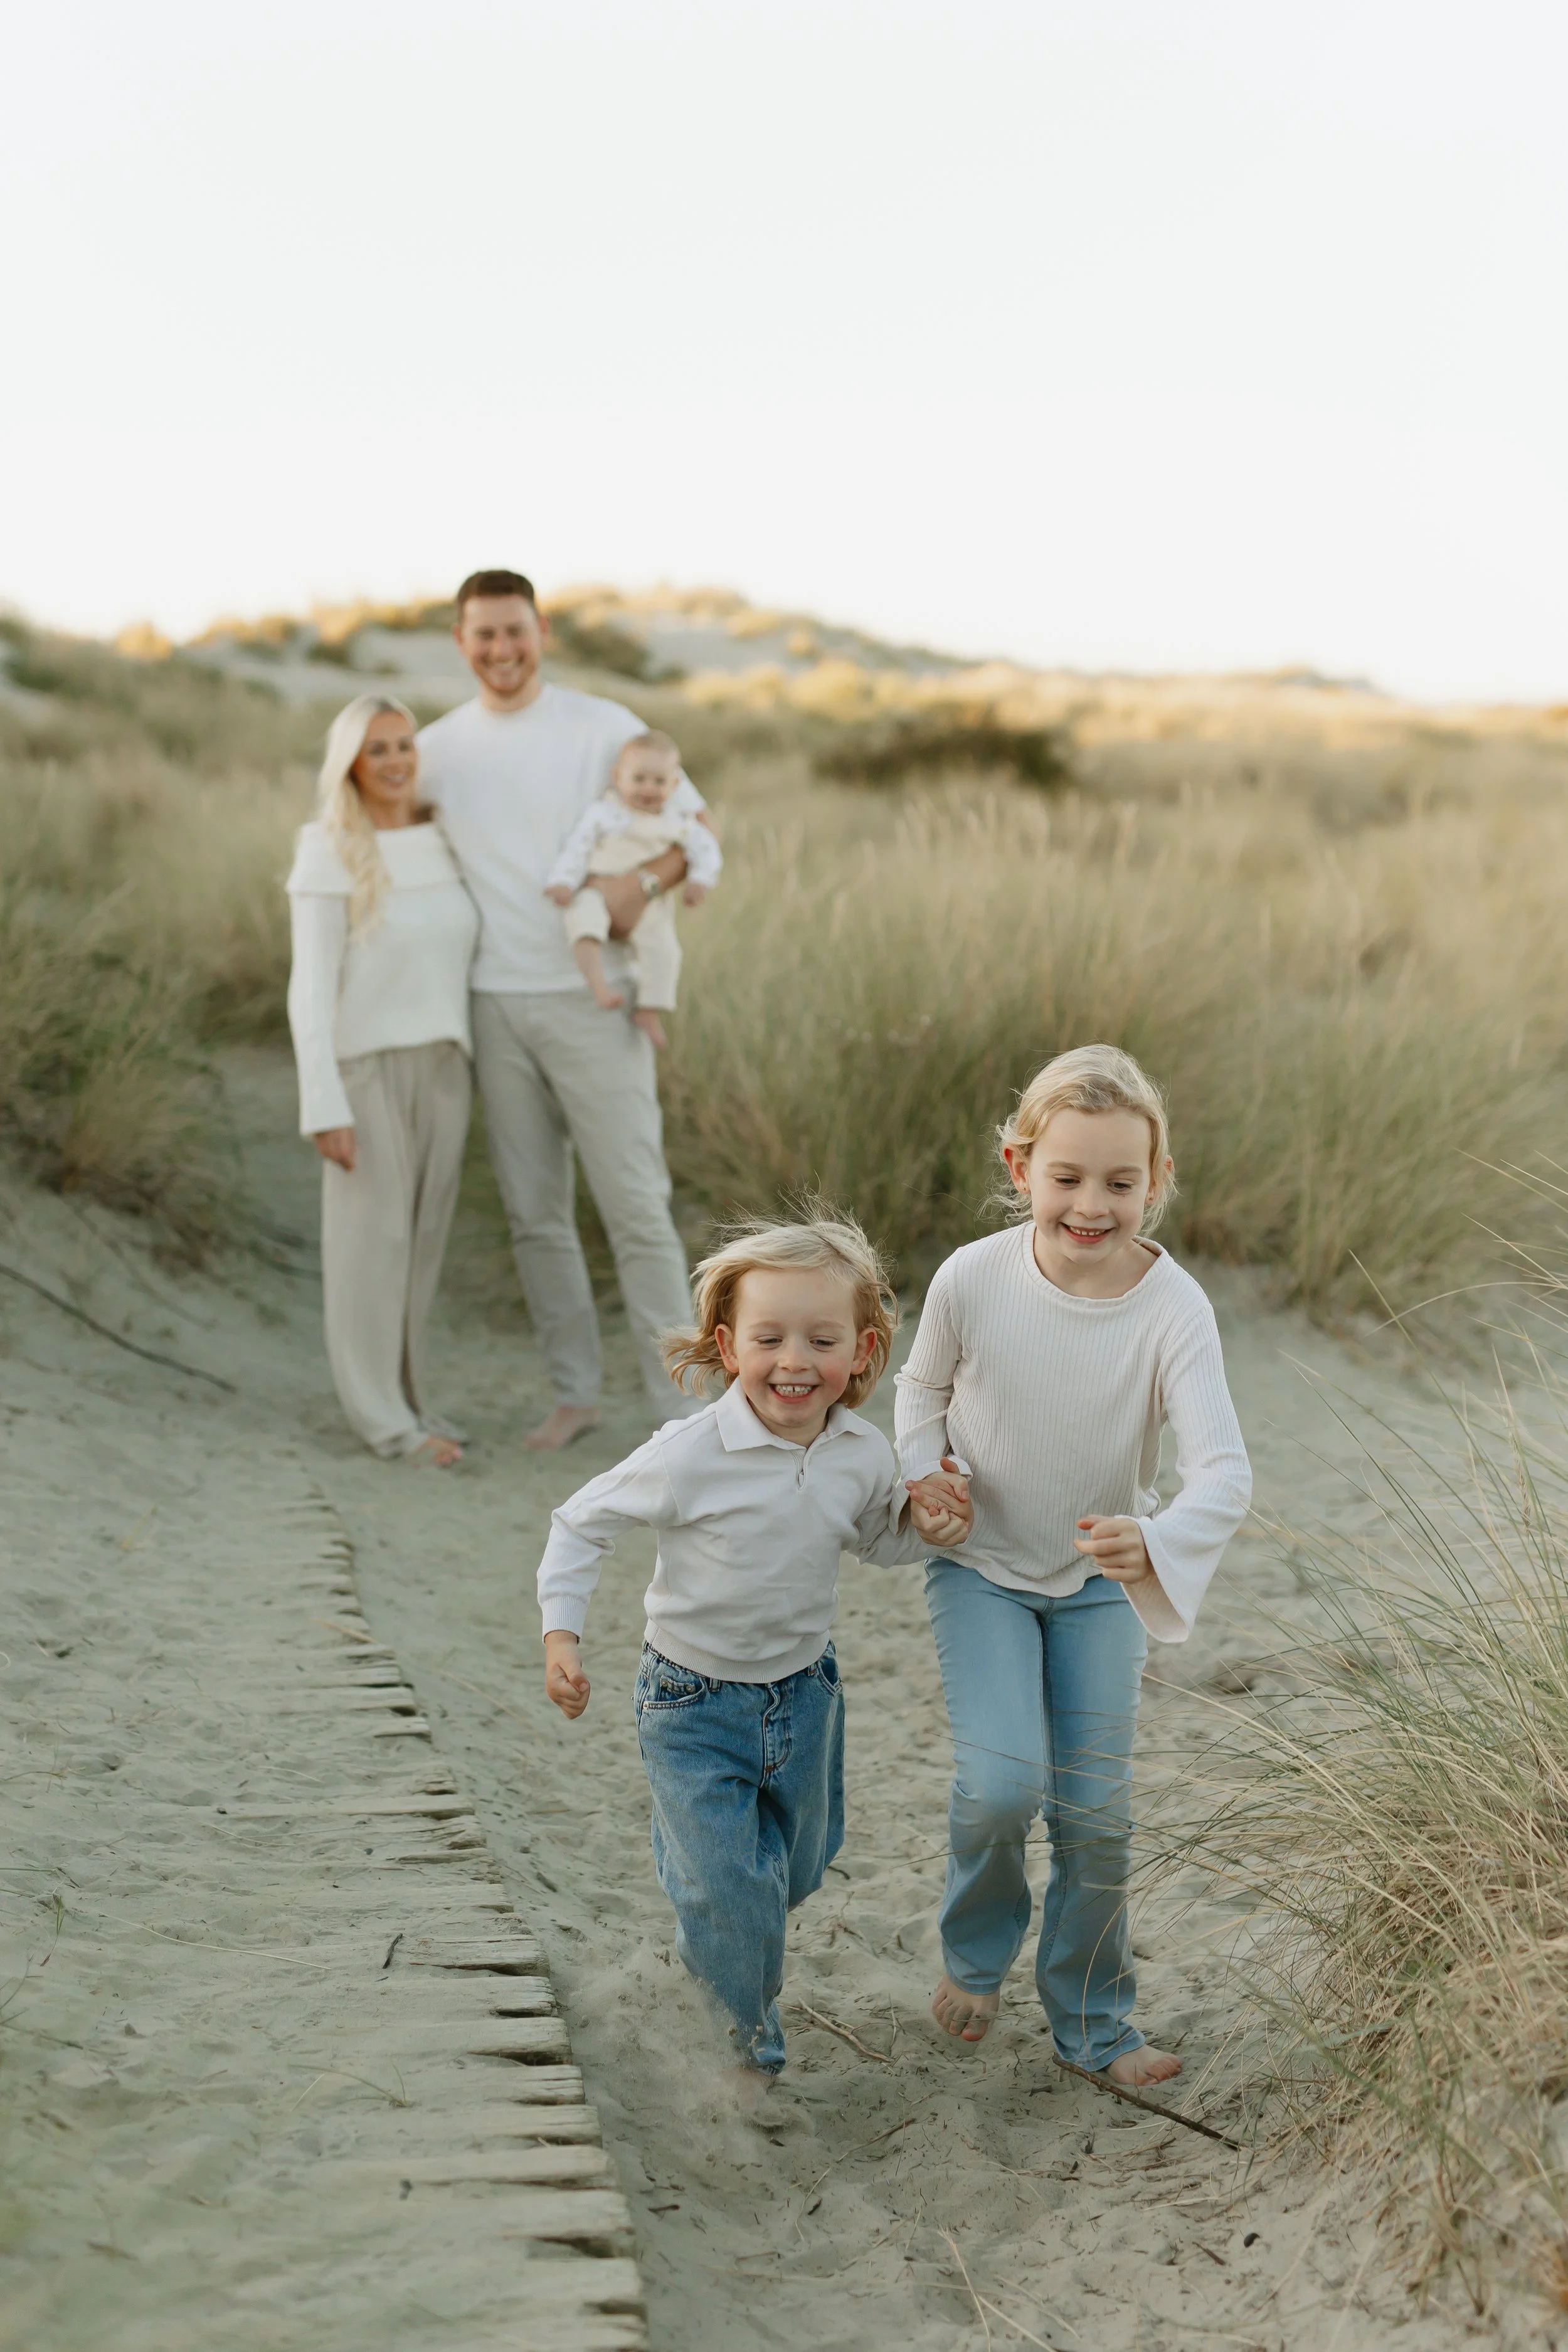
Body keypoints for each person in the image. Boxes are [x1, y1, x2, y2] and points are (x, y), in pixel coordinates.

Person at [536, 1216, 973, 2081]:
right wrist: (562, 1633)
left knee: (800, 1865)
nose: (795, 1361)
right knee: (737, 1891)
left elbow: (878, 1539)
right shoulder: (692, 1450)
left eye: (821, 1339)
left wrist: (931, 1524)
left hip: (806, 1694)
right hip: (691, 1702)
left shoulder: (859, 1451)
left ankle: (708, 1895)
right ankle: (747, 2048)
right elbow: (580, 1522)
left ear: (864, 1349)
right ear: (730, 1348)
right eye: (770, 1339)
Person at [894, 1045, 1251, 2086]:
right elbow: (919, 1394)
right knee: (1003, 1787)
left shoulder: (1174, 1309)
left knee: (1095, 1813)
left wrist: (1159, 1536)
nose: (1092, 1205)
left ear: (1158, 1181)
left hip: (1101, 1590)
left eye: (1120, 1182)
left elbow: (1222, 1470)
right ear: (1020, 1168)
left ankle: (1096, 2023)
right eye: (1067, 1177)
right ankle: (974, 1954)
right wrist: (928, 1477)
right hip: (983, 1572)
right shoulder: (971, 1278)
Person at [417, 571, 711, 1451]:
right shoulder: (435, 749)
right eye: (483, 635)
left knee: (634, 1202)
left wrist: (640, 882)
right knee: (534, 1213)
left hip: (600, 999)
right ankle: (574, 1395)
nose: (501, 651)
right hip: (492, 1002)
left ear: (541, 629)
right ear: (461, 640)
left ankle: (687, 1409)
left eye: (515, 631)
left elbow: (698, 830)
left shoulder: (605, 727)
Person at [285, 696, 479, 1466]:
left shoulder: (441, 841)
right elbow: (309, 987)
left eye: (404, 745)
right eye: (378, 750)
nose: (396, 761)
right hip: (365, 1070)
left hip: (445, 1066)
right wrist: (322, 1101)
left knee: (421, 1246)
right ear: (351, 765)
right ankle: (385, 1425)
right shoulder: (326, 848)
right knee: (374, 1246)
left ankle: (410, 1402)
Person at [544, 728, 722, 1049]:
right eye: (639, 779)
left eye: (658, 782)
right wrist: (564, 881)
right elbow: (578, 847)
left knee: (665, 951)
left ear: (675, 785)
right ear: (618, 777)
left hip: (651, 904)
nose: (648, 789)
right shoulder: (606, 812)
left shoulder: (677, 821)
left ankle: (650, 1010)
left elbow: (706, 848)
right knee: (583, 922)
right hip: (596, 887)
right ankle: (596, 982)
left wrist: (701, 880)